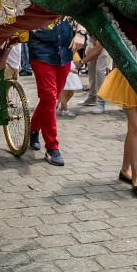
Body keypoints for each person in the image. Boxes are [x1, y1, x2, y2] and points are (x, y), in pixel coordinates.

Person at [26, 19, 86, 166]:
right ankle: (52, 147)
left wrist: (80, 32)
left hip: (65, 52)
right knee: (49, 98)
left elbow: (80, 11)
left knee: (50, 100)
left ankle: (33, 129)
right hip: (41, 51)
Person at [98, 68, 137, 193]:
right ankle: (136, 175)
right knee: (135, 126)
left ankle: (125, 170)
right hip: (130, 74)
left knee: (133, 129)